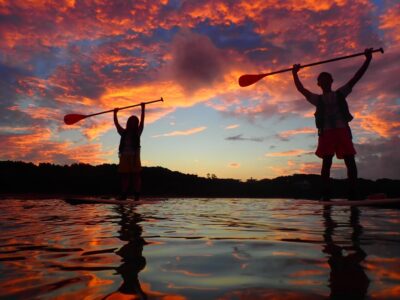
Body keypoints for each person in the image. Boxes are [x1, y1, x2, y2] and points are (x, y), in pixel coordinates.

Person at [292, 48, 373, 200]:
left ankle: (353, 194)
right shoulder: (317, 99)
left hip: (342, 130)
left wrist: (368, 59)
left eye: (326, 78)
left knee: (350, 161)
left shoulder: (341, 93)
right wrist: (294, 74)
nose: (324, 80)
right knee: (326, 163)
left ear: (331, 81)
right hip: (326, 133)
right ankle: (326, 195)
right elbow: (301, 89)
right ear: (318, 84)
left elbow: (356, 77)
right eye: (321, 79)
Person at [114, 103, 145, 200]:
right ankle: (124, 195)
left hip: (134, 156)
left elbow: (142, 122)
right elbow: (117, 124)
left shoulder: (138, 132)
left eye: (134, 122)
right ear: (128, 123)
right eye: (131, 121)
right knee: (125, 176)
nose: (133, 123)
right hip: (124, 156)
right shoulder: (123, 132)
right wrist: (115, 114)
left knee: (136, 176)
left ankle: (137, 195)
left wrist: (143, 108)